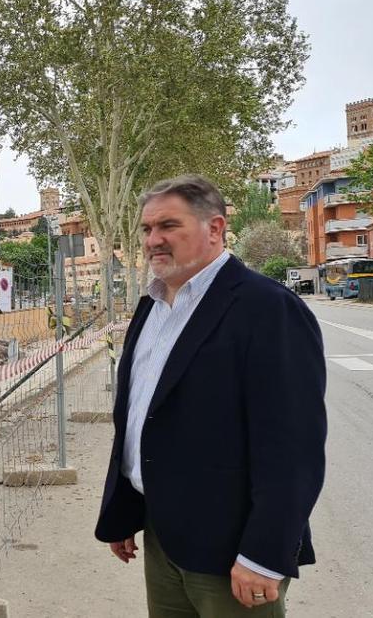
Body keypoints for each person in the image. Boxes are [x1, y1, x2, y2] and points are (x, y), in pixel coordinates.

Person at [94, 175, 326, 616]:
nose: (153, 240)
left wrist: (263, 555)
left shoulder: (267, 309)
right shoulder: (152, 305)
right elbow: (142, 415)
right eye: (146, 229)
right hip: (162, 536)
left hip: (232, 552)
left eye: (168, 226)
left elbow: (294, 447)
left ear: (215, 229)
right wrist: (124, 510)